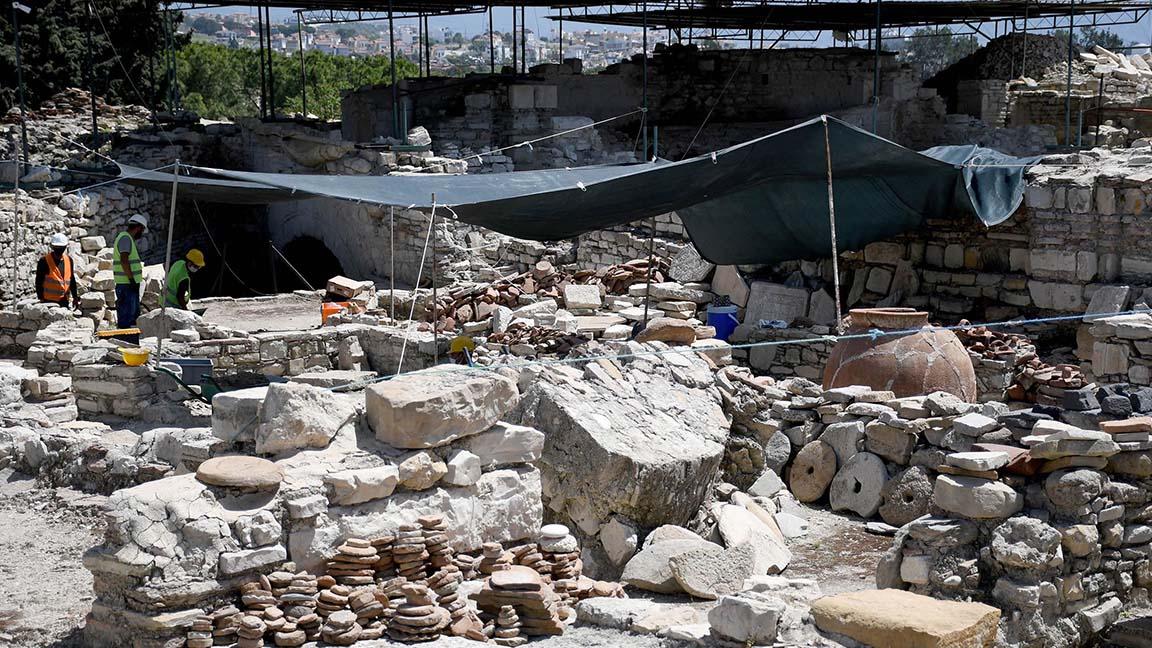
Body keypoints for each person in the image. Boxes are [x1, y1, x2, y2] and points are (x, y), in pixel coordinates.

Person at [114, 214, 148, 329]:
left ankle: (129, 339)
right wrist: (131, 280)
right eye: (142, 230)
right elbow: (124, 260)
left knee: (131, 316)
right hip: (127, 284)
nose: (141, 233)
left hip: (128, 283)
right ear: (138, 228)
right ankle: (126, 338)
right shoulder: (125, 238)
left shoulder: (126, 239)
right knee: (127, 317)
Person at [35, 233, 78, 308]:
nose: (59, 249)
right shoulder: (44, 261)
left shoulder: (69, 260)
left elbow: (72, 280)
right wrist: (41, 298)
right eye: (57, 247)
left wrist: (75, 297)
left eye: (61, 247)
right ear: (52, 247)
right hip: (49, 301)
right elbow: (39, 281)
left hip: (64, 300)